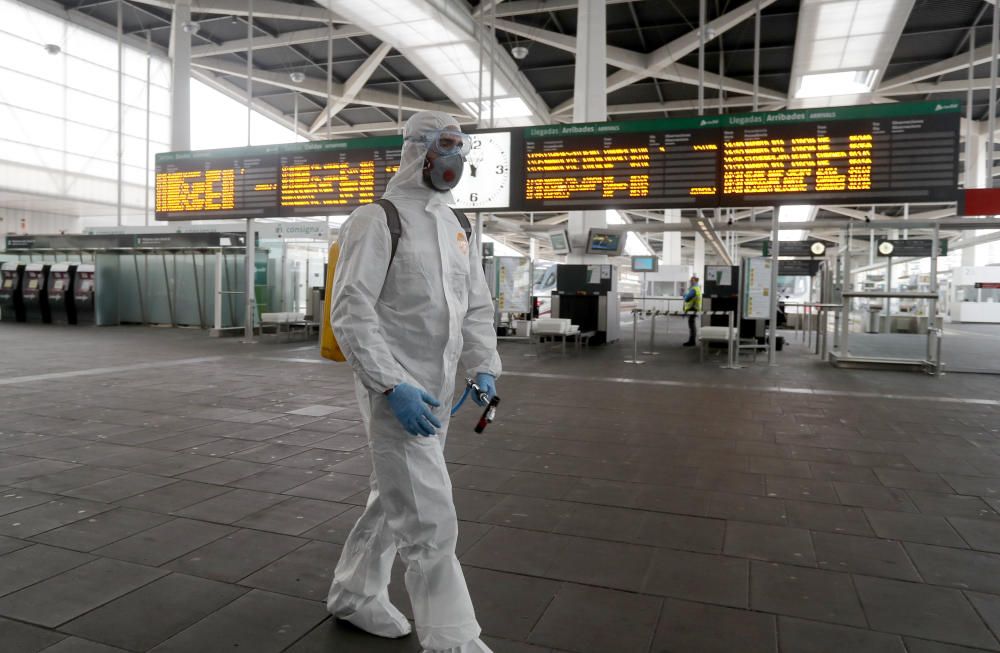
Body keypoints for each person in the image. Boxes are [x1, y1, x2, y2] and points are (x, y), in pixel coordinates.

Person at [326, 110, 500, 653]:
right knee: (429, 517)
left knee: (393, 497)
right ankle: (452, 638)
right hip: (395, 393)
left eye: (460, 147)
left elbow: (474, 305)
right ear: (417, 149)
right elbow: (351, 311)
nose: (455, 157)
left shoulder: (456, 226)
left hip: (438, 390)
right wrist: (389, 385)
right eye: (446, 144)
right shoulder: (375, 220)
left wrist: (485, 365)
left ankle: (354, 593)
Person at [682, 274, 702, 346]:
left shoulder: (694, 289)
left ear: (695, 281)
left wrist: (684, 296)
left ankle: (692, 341)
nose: (690, 282)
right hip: (694, 308)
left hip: (692, 309)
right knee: (692, 325)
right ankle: (692, 340)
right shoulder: (696, 288)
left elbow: (687, 298)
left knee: (692, 326)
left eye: (691, 280)